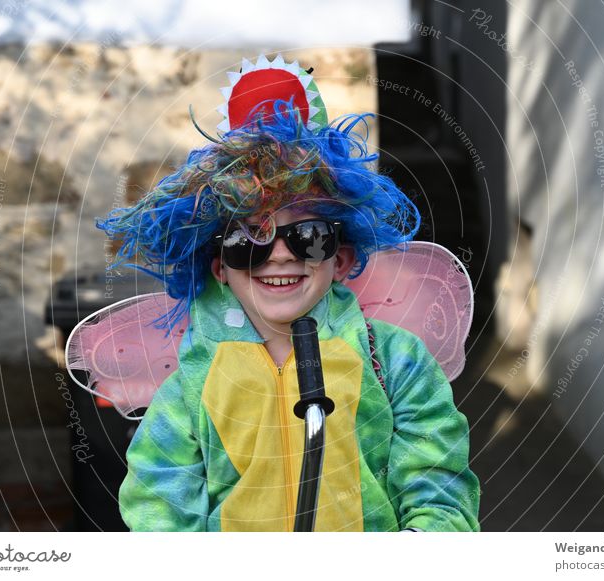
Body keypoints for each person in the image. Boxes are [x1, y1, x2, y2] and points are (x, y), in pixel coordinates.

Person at [97, 55, 480, 531]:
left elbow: (441, 493)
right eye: (247, 241)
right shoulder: (189, 387)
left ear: (339, 260)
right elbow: (158, 509)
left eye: (308, 235)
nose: (278, 255)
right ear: (220, 267)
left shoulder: (397, 362)